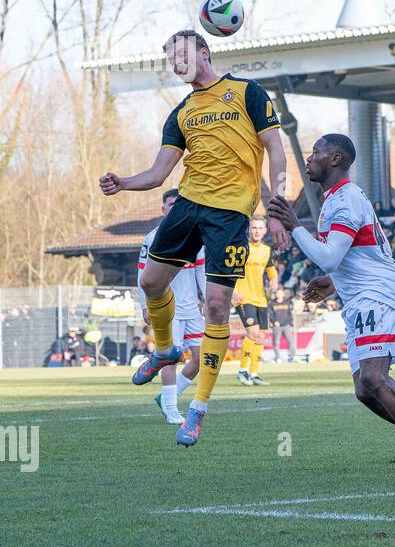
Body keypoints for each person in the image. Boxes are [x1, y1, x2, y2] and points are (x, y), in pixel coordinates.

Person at [99, 29, 289, 448]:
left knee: (218, 307)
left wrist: (276, 208)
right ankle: (165, 350)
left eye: (182, 55)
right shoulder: (182, 112)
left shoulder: (247, 92)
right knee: (150, 282)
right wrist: (123, 182)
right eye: (171, 60)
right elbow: (158, 173)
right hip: (188, 204)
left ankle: (198, 410)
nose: (176, 64)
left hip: (231, 214)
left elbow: (275, 148)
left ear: (204, 53)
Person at [268, 134, 395, 487]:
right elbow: (352, 257)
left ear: (336, 159)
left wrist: (295, 227)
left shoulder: (346, 200)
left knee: (374, 378)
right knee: (364, 390)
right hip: (360, 297)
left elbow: (329, 255)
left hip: (379, 294)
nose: (310, 158)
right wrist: (332, 282)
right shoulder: (336, 200)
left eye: (317, 153)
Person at [138, 188, 206, 424]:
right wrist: (144, 305)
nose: (173, 209)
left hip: (191, 309)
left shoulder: (195, 237)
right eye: (170, 205)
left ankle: (168, 396)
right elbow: (142, 276)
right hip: (167, 309)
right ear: (163, 209)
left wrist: (208, 301)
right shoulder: (153, 238)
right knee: (170, 357)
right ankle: (171, 409)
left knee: (200, 359)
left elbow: (201, 273)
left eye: (178, 205)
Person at [233, 216, 278, 386]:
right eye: (254, 228)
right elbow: (231, 270)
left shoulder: (267, 250)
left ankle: (254, 373)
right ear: (249, 230)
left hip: (261, 299)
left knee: (260, 337)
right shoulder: (241, 248)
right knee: (252, 333)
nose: (257, 231)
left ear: (265, 231)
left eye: (260, 228)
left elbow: (271, 269)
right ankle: (242, 370)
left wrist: (275, 280)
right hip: (243, 297)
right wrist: (234, 292)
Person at [271, 287, 296, 363]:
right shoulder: (272, 303)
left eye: (279, 293)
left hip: (286, 325)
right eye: (277, 293)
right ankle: (278, 357)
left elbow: (289, 313)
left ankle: (292, 356)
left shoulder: (287, 302)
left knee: (291, 341)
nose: (278, 295)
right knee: (276, 343)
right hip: (277, 326)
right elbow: (270, 314)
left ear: (283, 294)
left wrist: (291, 322)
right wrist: (274, 321)